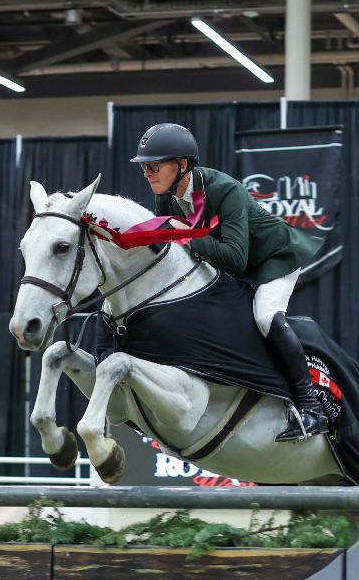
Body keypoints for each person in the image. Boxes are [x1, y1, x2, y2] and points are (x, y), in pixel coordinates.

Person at [131, 122, 329, 441]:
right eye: (144, 167)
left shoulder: (223, 189)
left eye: (154, 165)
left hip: (274, 258)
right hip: (236, 267)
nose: (148, 173)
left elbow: (235, 256)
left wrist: (186, 238)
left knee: (265, 317)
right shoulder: (166, 198)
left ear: (182, 165)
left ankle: (312, 410)